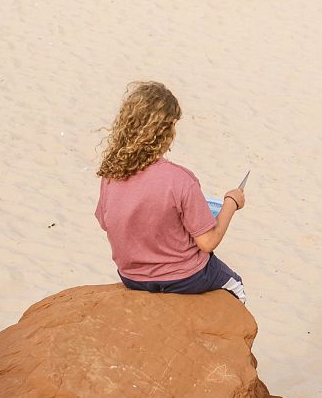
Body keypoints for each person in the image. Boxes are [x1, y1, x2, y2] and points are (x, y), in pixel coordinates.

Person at [94, 81, 248, 302]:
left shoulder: (111, 173)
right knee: (237, 287)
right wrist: (231, 203)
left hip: (132, 277)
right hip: (184, 277)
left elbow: (106, 222)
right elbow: (208, 242)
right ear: (165, 132)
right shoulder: (180, 180)